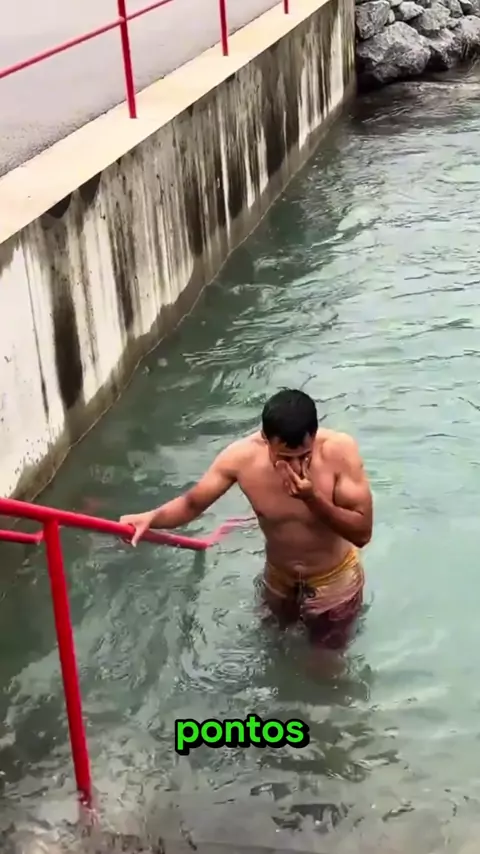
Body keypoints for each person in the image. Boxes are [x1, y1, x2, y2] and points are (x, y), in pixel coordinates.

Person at [120, 389, 373, 647]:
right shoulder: (241, 459)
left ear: (315, 436)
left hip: (334, 583)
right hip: (278, 579)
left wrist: (313, 498)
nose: (297, 467)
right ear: (265, 440)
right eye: (285, 458)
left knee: (326, 662)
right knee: (271, 648)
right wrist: (151, 518)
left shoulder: (339, 453)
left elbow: (362, 533)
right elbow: (192, 504)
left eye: (304, 456)